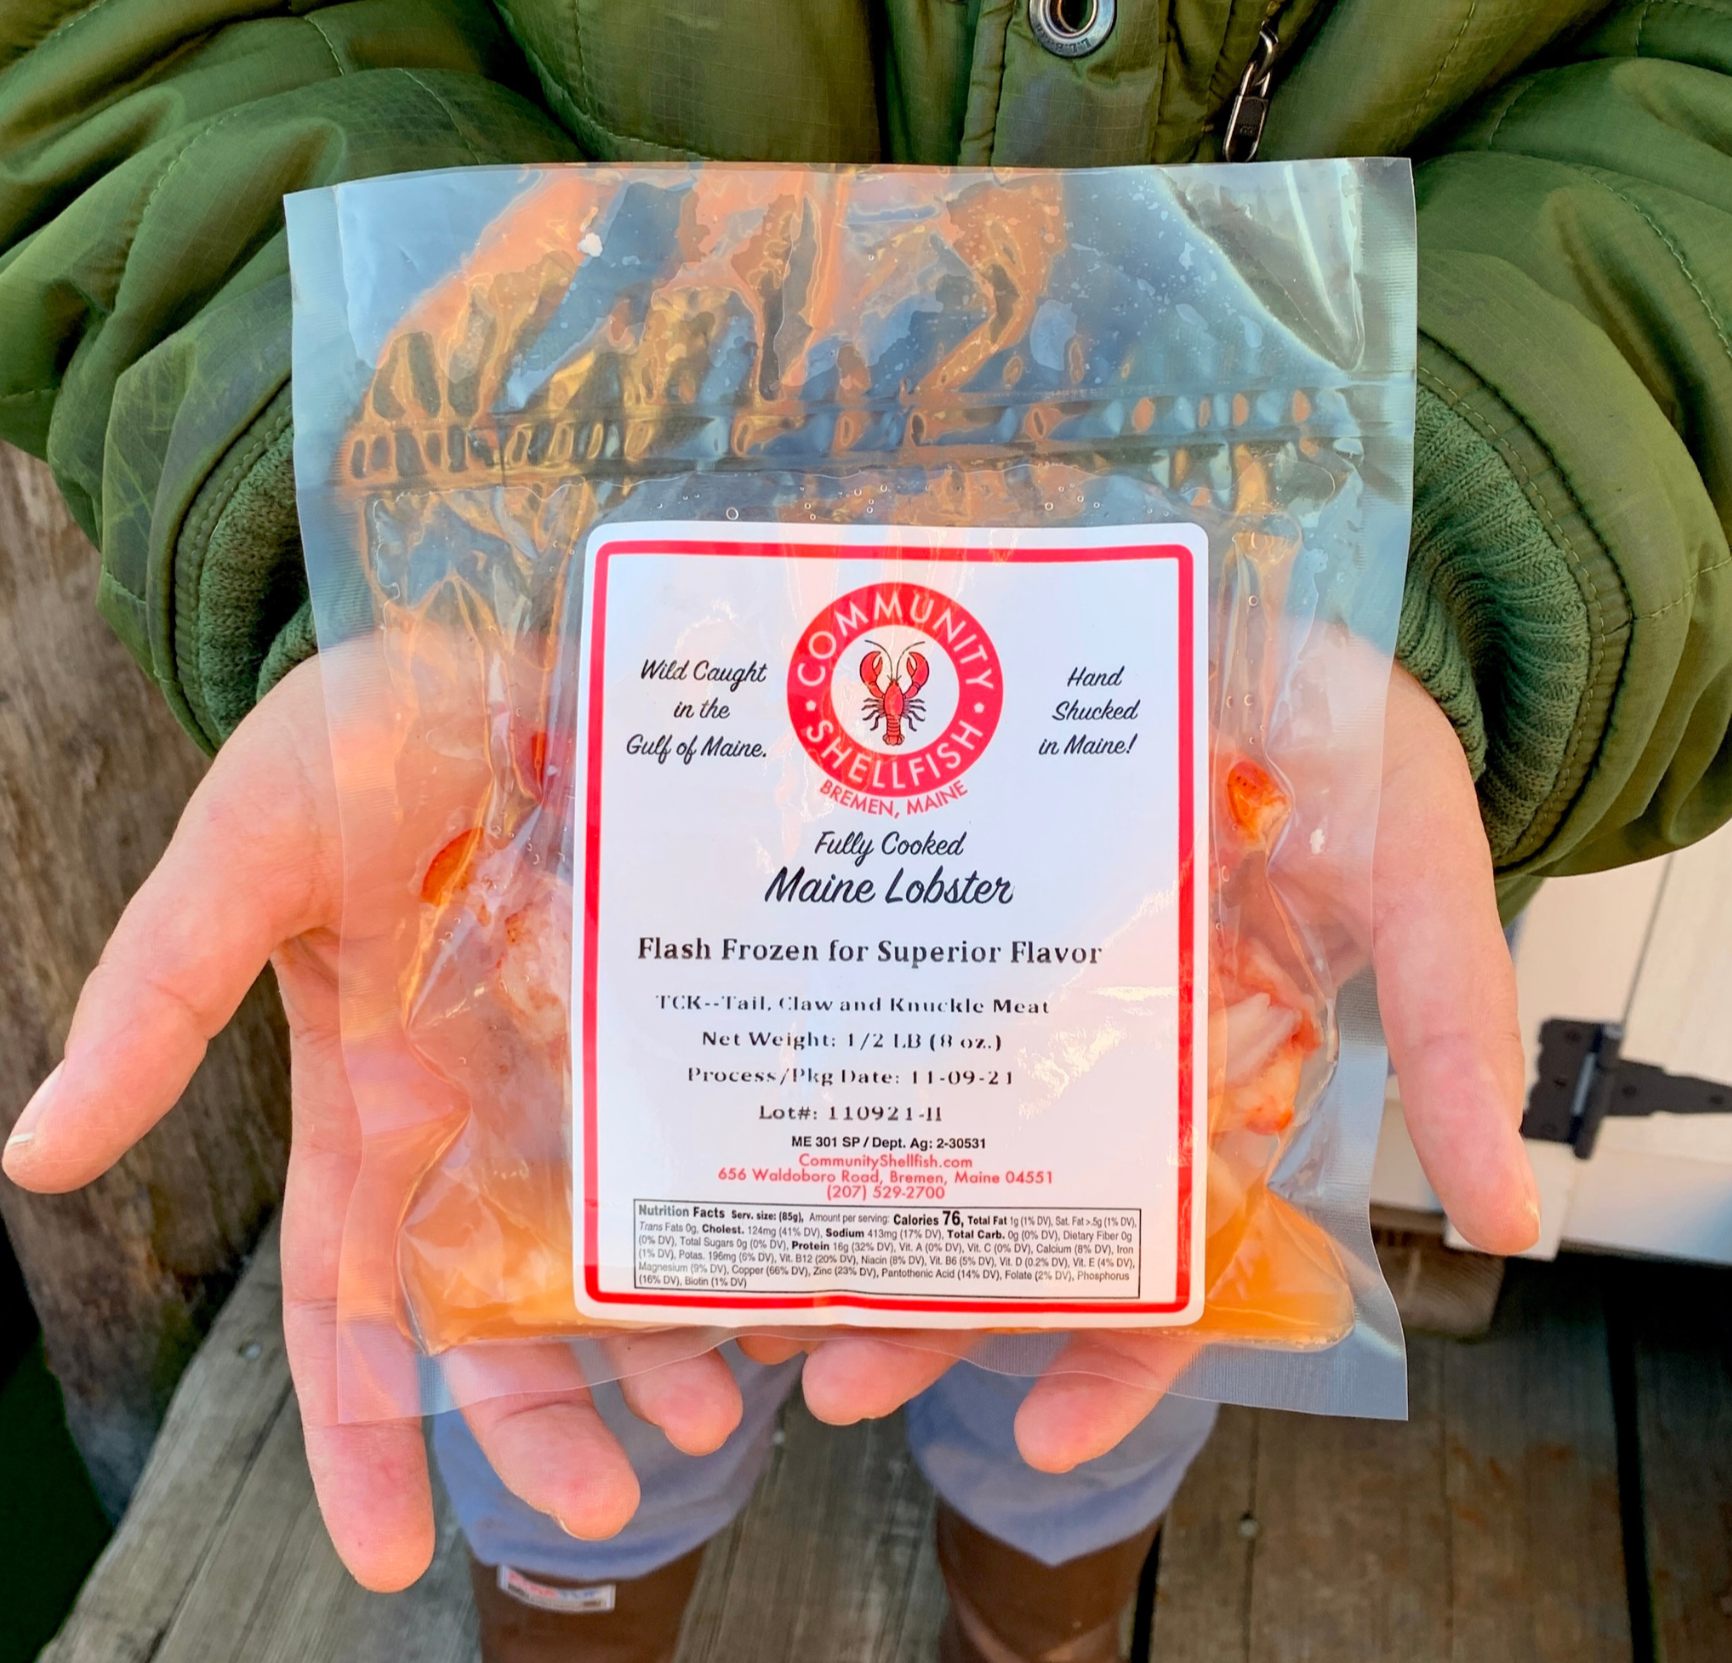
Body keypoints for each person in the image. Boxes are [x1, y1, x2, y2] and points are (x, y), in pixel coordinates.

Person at [2, 4, 1728, 1661]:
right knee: (581, 1307)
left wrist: (1456, 543)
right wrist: (379, 506)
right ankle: (584, 1604)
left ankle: (1039, 1606)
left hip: (1219, 847)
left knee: (1130, 1308)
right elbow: (113, 48)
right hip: (567, 781)